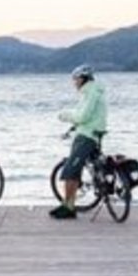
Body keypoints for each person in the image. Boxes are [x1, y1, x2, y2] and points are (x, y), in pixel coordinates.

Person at [51, 64, 106, 219]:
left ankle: (68, 208)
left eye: (75, 79)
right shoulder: (90, 92)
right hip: (86, 133)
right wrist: (72, 128)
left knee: (70, 171)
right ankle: (67, 204)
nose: (74, 83)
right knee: (74, 171)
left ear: (83, 79)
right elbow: (85, 116)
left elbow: (83, 117)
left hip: (87, 137)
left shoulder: (91, 93)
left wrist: (65, 115)